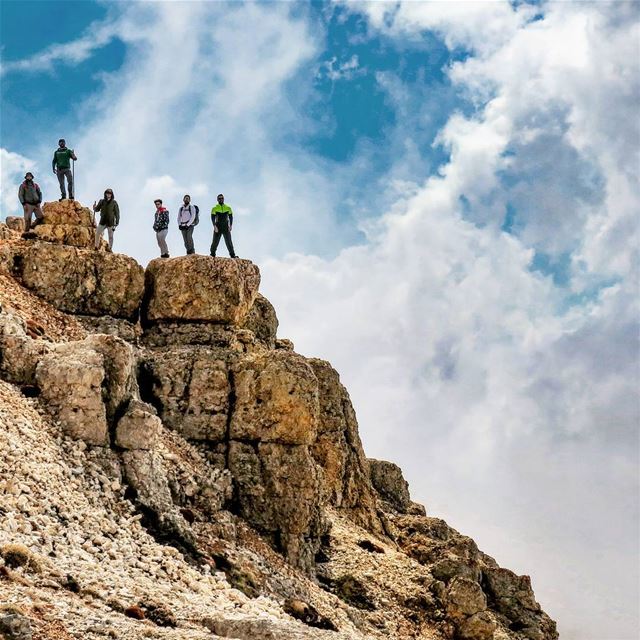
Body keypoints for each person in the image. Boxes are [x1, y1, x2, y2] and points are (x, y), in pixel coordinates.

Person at [210, 193, 236, 258]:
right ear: (217, 200)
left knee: (229, 242)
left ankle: (232, 255)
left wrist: (231, 225)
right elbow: (212, 218)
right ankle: (212, 254)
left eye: (222, 198)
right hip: (218, 227)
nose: (221, 199)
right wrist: (214, 226)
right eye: (219, 198)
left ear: (223, 199)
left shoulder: (228, 208)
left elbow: (231, 217)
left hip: (225, 227)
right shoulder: (214, 208)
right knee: (215, 242)